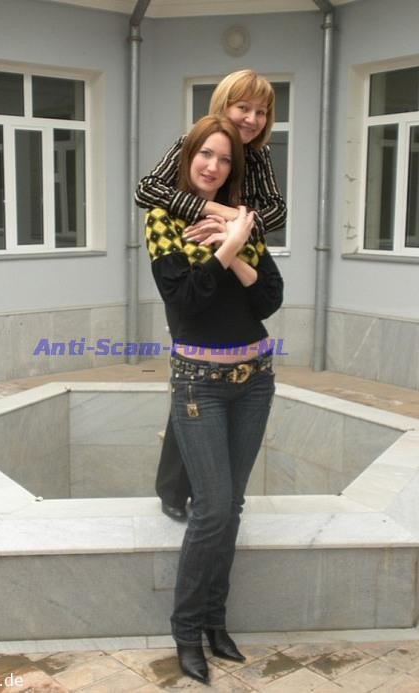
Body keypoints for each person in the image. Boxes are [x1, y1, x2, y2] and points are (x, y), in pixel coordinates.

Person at [144, 114, 283, 684]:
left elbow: (270, 298)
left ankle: (214, 622)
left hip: (255, 380)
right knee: (213, 508)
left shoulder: (242, 217)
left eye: (225, 159)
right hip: (199, 384)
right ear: (189, 155)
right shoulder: (162, 219)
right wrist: (227, 250)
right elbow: (187, 300)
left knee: (233, 506)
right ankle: (185, 630)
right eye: (206, 153)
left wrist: (238, 245)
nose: (214, 166)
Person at [136, 69, 286, 521]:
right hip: (194, 249)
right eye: (243, 107)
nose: (252, 119)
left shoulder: (257, 157)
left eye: (261, 111)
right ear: (222, 105)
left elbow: (276, 211)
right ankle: (172, 489)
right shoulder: (194, 142)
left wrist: (236, 230)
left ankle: (196, 490)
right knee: (193, 387)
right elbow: (148, 190)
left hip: (236, 252)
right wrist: (215, 210)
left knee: (200, 401)